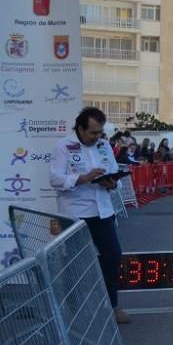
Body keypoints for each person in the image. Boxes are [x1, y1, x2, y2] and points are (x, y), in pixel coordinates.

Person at [48, 107, 130, 324]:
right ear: (81, 128)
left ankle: (111, 305)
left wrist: (112, 183)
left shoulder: (104, 146)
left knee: (113, 256)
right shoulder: (63, 146)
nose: (97, 137)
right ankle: (74, 312)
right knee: (74, 262)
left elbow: (117, 181)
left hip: (103, 211)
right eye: (93, 132)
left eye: (100, 132)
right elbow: (55, 179)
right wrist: (83, 178)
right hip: (75, 214)